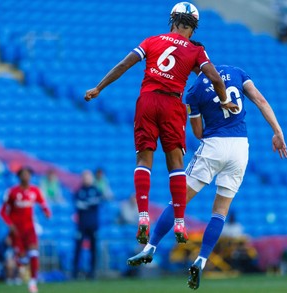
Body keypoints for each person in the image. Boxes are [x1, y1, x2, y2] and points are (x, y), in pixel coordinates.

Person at [84, 2, 238, 245]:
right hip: (172, 104)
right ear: (193, 28)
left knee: (144, 159)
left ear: (172, 21)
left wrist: (98, 87)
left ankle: (143, 216)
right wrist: (224, 100)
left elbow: (124, 64)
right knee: (175, 163)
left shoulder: (152, 40)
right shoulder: (196, 50)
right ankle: (179, 221)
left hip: (147, 100)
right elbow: (215, 78)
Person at [127, 61, 287, 290]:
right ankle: (201, 261)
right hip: (241, 147)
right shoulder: (236, 72)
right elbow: (261, 101)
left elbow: (198, 132)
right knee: (220, 212)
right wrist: (278, 132)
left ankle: (150, 247)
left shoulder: (193, 92)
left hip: (214, 145)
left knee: (179, 201)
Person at [0, 166, 51, 293]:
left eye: (28, 174)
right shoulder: (12, 192)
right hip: (16, 231)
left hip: (30, 229)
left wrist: (46, 212)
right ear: (19, 177)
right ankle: (20, 266)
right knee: (22, 258)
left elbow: (43, 203)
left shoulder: (35, 190)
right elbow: (3, 212)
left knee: (34, 253)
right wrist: (10, 224)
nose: (26, 177)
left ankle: (33, 283)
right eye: (23, 174)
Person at [72, 170, 102, 280]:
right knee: (78, 249)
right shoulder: (79, 191)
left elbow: (96, 202)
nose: (86, 179)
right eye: (84, 177)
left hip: (93, 225)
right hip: (81, 225)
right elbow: (78, 204)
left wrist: (85, 204)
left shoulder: (96, 190)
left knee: (93, 249)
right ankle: (75, 272)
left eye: (88, 177)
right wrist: (88, 203)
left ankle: (92, 272)